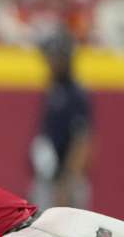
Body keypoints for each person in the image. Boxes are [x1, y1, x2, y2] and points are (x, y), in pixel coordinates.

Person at [28, 29, 91, 210]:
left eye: (53, 57)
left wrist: (68, 181)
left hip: (63, 180)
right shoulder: (53, 88)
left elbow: (82, 140)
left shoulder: (75, 94)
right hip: (48, 177)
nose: (49, 62)